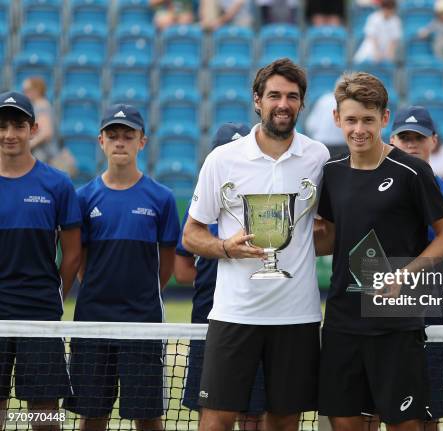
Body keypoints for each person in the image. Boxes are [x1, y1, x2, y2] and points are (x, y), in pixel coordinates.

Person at [182, 58, 330, 431]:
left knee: (283, 420)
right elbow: (191, 234)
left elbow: (327, 233)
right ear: (257, 101)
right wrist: (225, 247)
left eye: (292, 97)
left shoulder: (319, 157)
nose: (283, 104)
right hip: (235, 314)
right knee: (216, 419)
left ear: (302, 103)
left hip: (298, 315)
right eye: (275, 95)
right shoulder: (222, 159)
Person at [314, 72, 443, 431]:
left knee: (404, 425)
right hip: (342, 322)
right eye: (350, 120)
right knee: (345, 424)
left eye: (367, 119)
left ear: (384, 118)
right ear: (337, 120)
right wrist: (277, 244)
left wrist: (404, 274)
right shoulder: (330, 173)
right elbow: (331, 238)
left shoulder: (413, 172)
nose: (359, 129)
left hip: (397, 324)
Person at [64, 104, 180, 431]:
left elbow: (167, 262)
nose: (120, 142)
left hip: (143, 324)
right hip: (92, 322)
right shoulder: (83, 197)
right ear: (100, 141)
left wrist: (144, 296)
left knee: (147, 417)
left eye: (128, 136)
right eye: (113, 135)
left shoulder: (162, 198)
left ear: (142, 142)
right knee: (92, 413)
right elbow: (80, 258)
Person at [175, 123, 267, 431]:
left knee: (254, 413)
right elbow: (182, 268)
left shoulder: (265, 208)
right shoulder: (201, 208)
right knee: (211, 410)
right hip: (208, 321)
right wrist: (220, 271)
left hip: (257, 320)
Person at [0, 91, 82, 431]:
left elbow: (73, 252)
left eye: (18, 125)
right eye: (3, 126)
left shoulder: (57, 184)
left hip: (39, 312)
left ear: (33, 129)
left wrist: (54, 296)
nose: (9, 134)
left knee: (45, 412)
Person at [389, 106, 443, 431]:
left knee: (429, 410)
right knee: (377, 407)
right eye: (405, 138)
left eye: (419, 138)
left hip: (430, 313)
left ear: (433, 142)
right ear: (392, 139)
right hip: (382, 311)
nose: (412, 144)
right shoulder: (375, 189)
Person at [21, 77, 58, 164]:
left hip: (45, 154)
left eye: (27, 90)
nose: (24, 93)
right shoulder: (38, 105)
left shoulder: (41, 105)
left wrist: (28, 145)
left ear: (36, 90)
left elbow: (46, 133)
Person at [353, 0, 401, 64]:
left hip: (385, 52)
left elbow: (394, 41)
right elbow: (372, 37)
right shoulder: (373, 18)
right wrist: (376, 52)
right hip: (370, 50)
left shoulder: (396, 21)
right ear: (383, 8)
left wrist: (389, 54)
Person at [305, 86, 346, 158]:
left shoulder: (324, 99)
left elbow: (310, 125)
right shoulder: (348, 101)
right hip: (342, 144)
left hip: (322, 143)